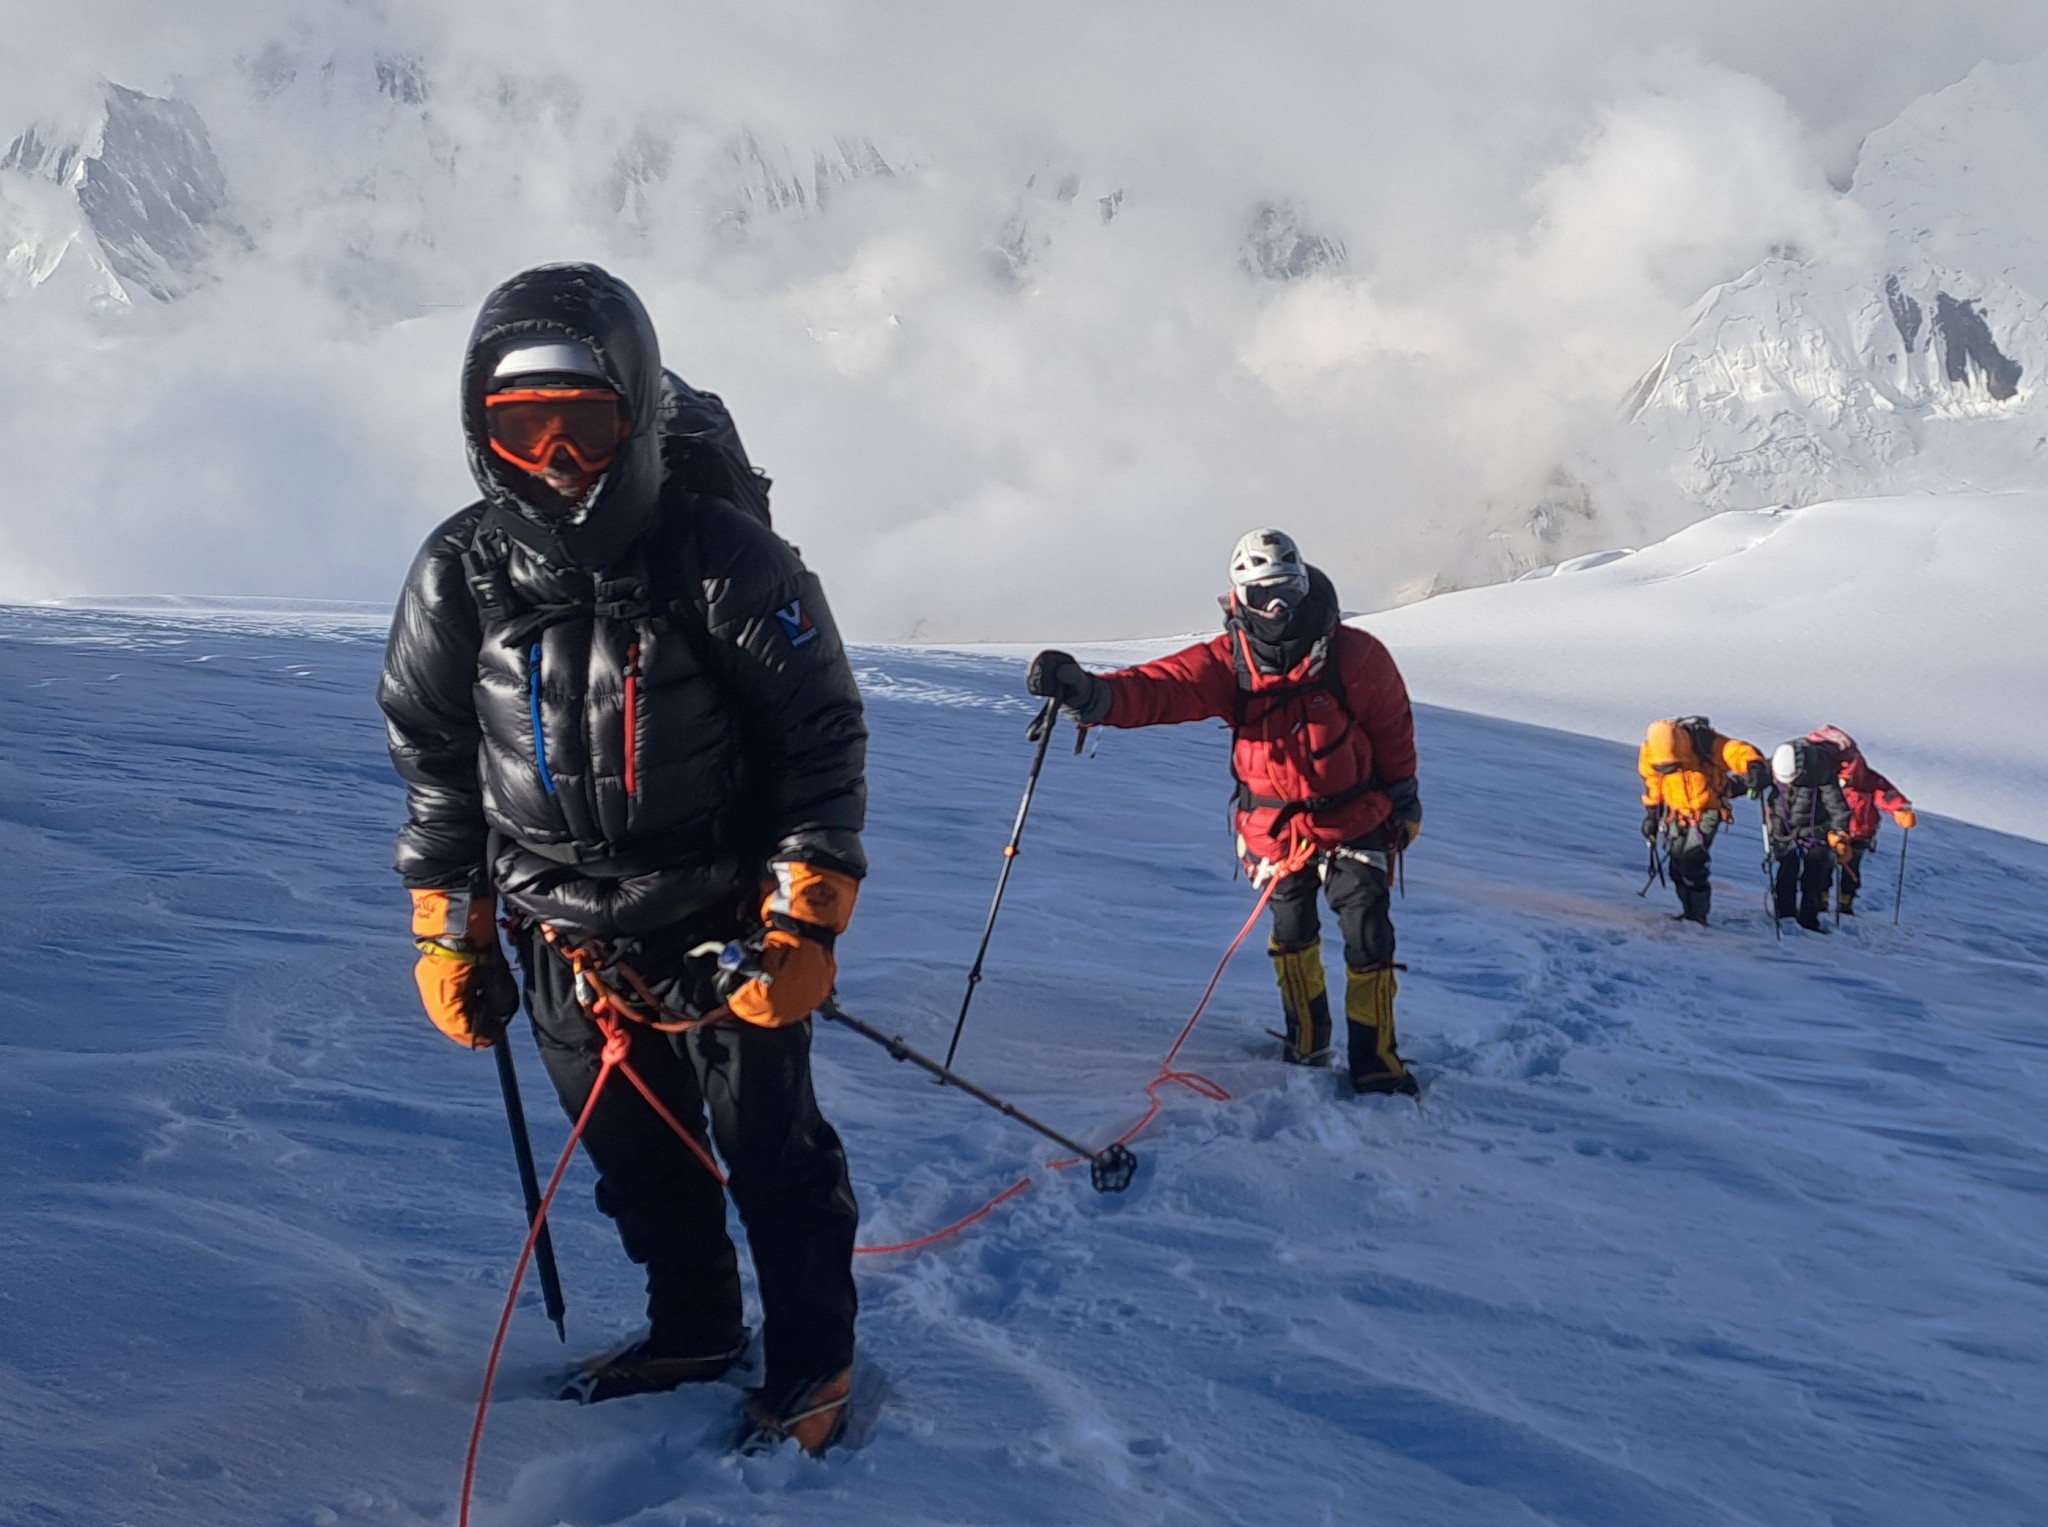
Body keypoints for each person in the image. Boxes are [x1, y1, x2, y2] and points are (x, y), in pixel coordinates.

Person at [377, 263, 866, 1454]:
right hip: (557, 939)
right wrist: (452, 927)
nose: (555, 459)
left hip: (722, 926)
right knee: (640, 1167)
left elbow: (816, 738)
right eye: (520, 428)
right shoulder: (458, 572)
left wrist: (803, 919)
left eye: (583, 424)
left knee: (773, 1163)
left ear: (635, 415)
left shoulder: (725, 559)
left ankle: (813, 1367)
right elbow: (436, 760)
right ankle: (692, 1329)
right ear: (476, 432)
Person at [1025, 529, 1423, 1098]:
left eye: (1287, 589)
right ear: (1239, 598)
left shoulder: (1355, 655)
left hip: (1356, 817)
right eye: (1263, 595)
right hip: (1275, 829)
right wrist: (1086, 693)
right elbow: (1158, 689)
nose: (1278, 606)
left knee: (1368, 934)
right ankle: (1306, 1042)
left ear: (1306, 583)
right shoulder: (1227, 662)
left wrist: (1404, 799)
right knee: (1292, 933)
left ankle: (1376, 1062)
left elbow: (1391, 729)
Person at [1637, 717, 1768, 924]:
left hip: (1708, 811)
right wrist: (1653, 814)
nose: (1671, 771)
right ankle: (1689, 912)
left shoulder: (1702, 742)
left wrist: (1754, 765)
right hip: (1677, 812)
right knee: (1676, 865)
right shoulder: (1650, 752)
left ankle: (1697, 915)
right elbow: (1654, 782)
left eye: (1674, 766)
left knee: (1692, 861)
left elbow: (1734, 751)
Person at [1805, 725, 1915, 914]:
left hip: (1858, 832)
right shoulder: (1820, 775)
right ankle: (1821, 898)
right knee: (1824, 867)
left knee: (1851, 869)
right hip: (1830, 831)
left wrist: (1899, 809)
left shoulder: (1865, 778)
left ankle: (1845, 901)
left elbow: (1885, 793)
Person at [1765, 737, 1854, 932]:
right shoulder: (1776, 764)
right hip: (1785, 832)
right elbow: (1751, 778)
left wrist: (1840, 834)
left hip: (1816, 834)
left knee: (1813, 879)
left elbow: (1838, 807)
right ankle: (1785, 914)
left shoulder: (1821, 772)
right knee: (1785, 876)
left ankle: (1809, 918)